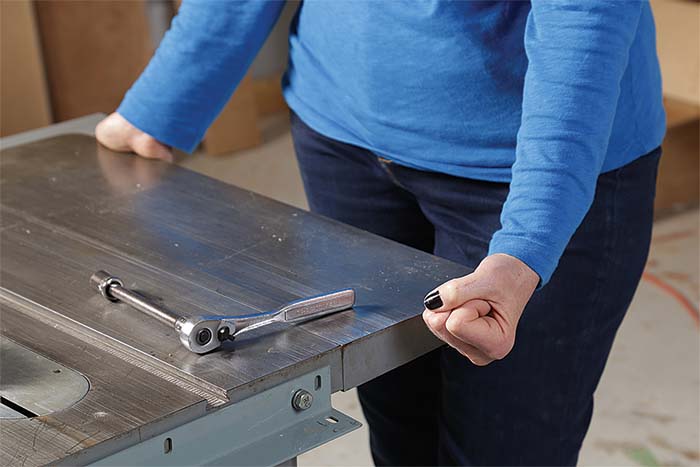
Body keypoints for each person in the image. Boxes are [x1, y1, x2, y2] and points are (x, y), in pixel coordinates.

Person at [96, 2, 665, 465]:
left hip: (531, 166)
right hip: (341, 134)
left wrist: (526, 247)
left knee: (506, 443)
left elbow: (585, 22)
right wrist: (163, 101)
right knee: (397, 421)